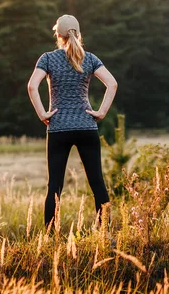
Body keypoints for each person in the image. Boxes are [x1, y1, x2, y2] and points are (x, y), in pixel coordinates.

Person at [27, 14, 118, 231]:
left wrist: (43, 114)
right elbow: (112, 84)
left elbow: (32, 86)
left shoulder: (47, 58)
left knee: (55, 186)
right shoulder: (90, 58)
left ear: (58, 34)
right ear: (78, 32)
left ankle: (50, 237)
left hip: (58, 127)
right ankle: (104, 233)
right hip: (87, 125)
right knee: (97, 183)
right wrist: (101, 112)